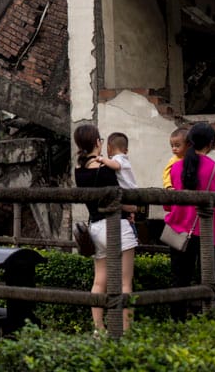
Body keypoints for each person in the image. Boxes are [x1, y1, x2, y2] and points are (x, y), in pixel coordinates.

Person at [163, 122, 215, 320]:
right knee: (210, 283)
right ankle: (210, 324)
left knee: (179, 281)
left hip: (179, 232)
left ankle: (176, 325)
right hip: (210, 234)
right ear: (211, 143)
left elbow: (169, 205)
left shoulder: (175, 168)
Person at [73, 123, 138, 331]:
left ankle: (98, 329)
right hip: (116, 226)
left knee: (99, 282)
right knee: (125, 283)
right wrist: (133, 208)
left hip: (96, 228)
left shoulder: (79, 171)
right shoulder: (106, 170)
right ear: (97, 142)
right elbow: (118, 201)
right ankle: (124, 329)